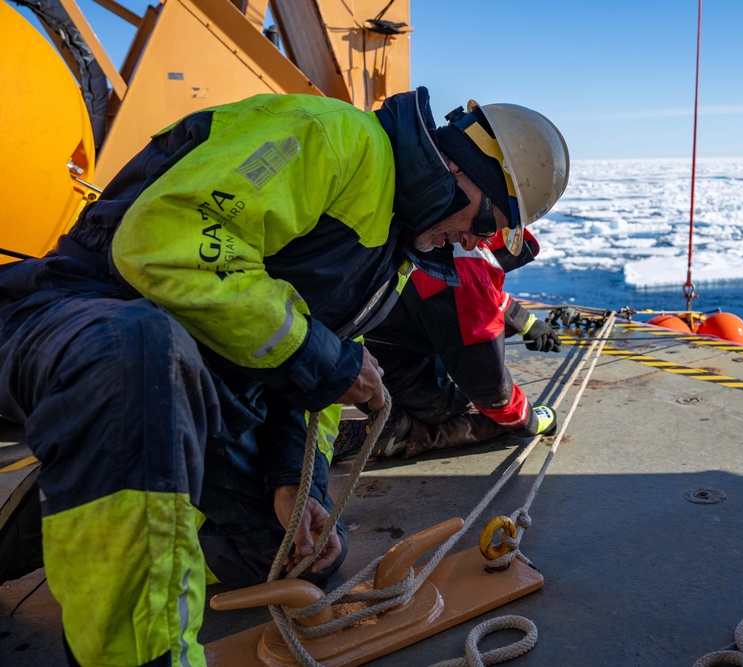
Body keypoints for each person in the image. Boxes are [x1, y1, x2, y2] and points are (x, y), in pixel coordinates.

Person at [0, 87, 569, 667]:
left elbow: (316, 390)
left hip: (206, 389)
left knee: (300, 557)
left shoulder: (394, 251)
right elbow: (163, 245)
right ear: (458, 171)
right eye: (485, 222)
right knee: (143, 351)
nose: (477, 243)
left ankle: (82, 499)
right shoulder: (333, 138)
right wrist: (331, 360)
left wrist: (295, 482)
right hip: (80, 326)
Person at [336, 224, 564, 462]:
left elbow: (479, 291)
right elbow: (490, 388)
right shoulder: (466, 276)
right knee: (479, 411)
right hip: (389, 371)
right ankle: (404, 433)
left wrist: (527, 323)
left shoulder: (447, 239)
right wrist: (530, 421)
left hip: (365, 347)